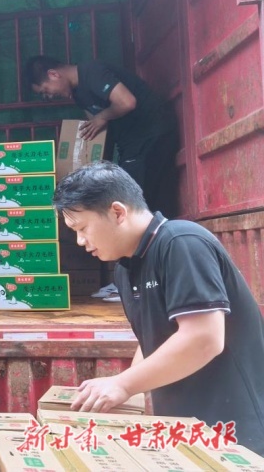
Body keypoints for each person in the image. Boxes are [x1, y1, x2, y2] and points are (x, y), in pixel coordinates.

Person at [52, 161, 264, 454]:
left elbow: (204, 338)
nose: (80, 241)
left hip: (235, 430)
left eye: (83, 228)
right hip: (187, 428)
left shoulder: (182, 242)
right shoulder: (126, 268)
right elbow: (154, 339)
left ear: (117, 212)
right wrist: (128, 393)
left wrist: (123, 384)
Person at [25, 55, 180, 301]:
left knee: (134, 209)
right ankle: (132, 280)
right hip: (132, 145)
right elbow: (96, 131)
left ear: (54, 74)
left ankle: (140, 282)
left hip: (151, 136)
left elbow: (127, 102)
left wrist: (102, 117)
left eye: (45, 91)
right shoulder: (79, 94)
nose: (48, 96)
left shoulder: (92, 72)